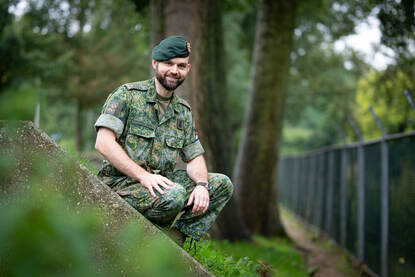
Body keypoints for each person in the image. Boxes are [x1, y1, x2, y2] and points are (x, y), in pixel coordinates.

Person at [94, 35, 233, 245]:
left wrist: (203, 185)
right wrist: (143, 176)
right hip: (121, 184)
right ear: (155, 64)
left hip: (161, 186)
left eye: (181, 65)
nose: (174, 71)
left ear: (188, 68)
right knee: (174, 194)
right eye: (168, 64)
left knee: (221, 184)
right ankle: (138, 238)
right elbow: (103, 143)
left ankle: (173, 243)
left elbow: (194, 157)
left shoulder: (183, 112)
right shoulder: (127, 95)